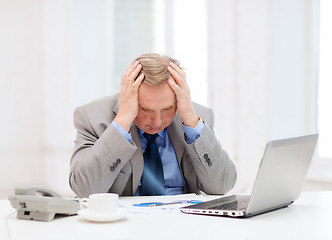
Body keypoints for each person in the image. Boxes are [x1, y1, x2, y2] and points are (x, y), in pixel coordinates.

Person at [69, 53, 237, 198]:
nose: (157, 122)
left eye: (167, 109)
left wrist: (191, 121)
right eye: (145, 109)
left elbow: (222, 185)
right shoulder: (91, 118)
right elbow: (85, 190)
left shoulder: (197, 117)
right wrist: (123, 121)